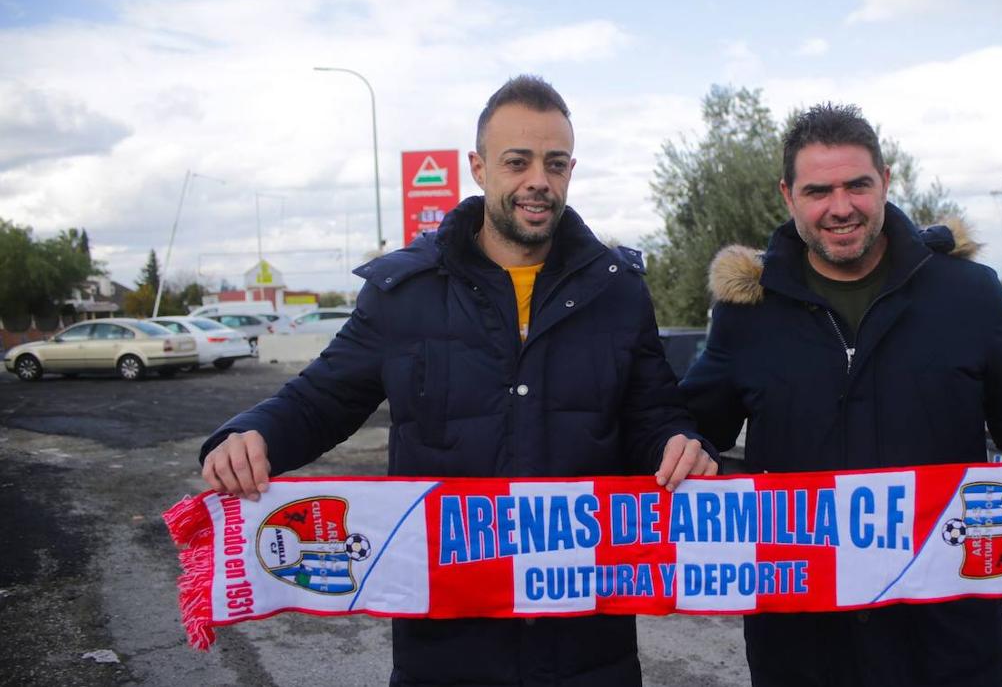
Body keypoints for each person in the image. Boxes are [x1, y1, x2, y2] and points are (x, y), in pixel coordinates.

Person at [200, 75, 718, 687]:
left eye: (555, 164)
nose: (538, 182)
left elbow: (653, 415)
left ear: (571, 169)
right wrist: (251, 433)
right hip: (446, 645)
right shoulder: (406, 294)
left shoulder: (618, 290)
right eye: (517, 162)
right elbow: (322, 398)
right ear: (478, 167)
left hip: (587, 644)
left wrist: (678, 445)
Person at [679, 103, 1002, 687]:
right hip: (803, 641)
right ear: (788, 196)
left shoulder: (967, 292)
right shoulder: (748, 313)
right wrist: (686, 441)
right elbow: (696, 421)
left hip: (945, 637)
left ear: (885, 182)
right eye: (818, 190)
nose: (840, 207)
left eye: (857, 185)